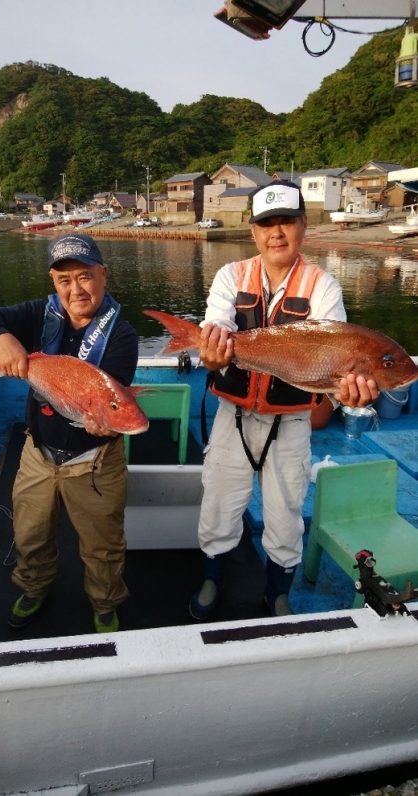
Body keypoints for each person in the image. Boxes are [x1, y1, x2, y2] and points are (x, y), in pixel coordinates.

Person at [189, 180, 379, 621]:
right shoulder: (230, 277)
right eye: (266, 223)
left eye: (286, 222)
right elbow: (216, 324)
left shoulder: (323, 286)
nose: (276, 233)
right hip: (232, 415)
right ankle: (211, 577)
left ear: (303, 226)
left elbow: (333, 355)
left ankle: (277, 592)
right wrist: (211, 346)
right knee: (218, 503)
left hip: (291, 421)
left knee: (286, 514)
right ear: (253, 231)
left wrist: (346, 389)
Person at [0, 233, 138, 633]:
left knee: (103, 545)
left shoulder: (122, 335)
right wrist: (2, 337)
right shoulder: (41, 315)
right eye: (65, 281)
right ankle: (33, 588)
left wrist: (103, 425)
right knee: (30, 534)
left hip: (94, 461)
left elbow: (110, 400)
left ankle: (104, 602)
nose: (76, 289)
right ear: (53, 282)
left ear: (103, 275)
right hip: (38, 453)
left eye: (85, 277)